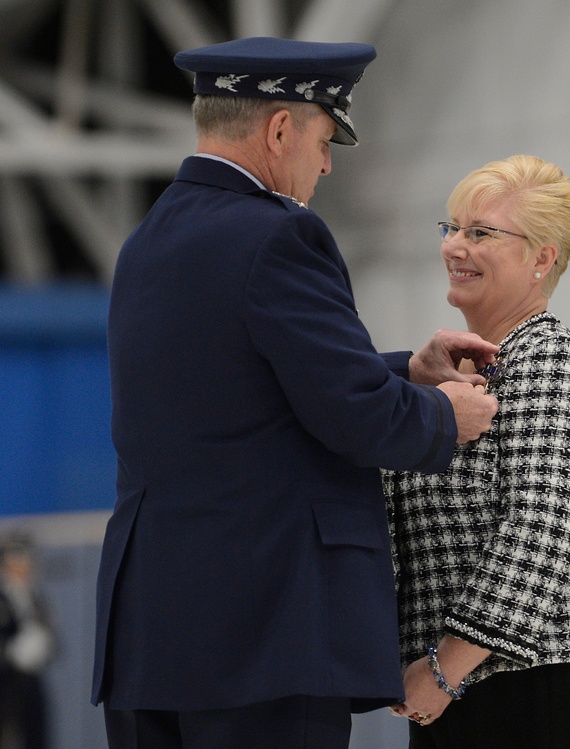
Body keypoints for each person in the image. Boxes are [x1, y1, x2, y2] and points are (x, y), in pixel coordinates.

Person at [90, 37, 499, 749]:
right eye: (322, 138)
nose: (326, 163)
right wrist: (444, 414)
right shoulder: (279, 234)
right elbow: (352, 414)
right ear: (279, 129)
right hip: (263, 634)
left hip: (153, 633)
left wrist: (405, 369)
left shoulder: (148, 240)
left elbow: (244, 384)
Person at [382, 154, 570, 749]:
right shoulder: (456, 368)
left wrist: (443, 668)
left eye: (481, 232)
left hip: (533, 680)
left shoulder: (553, 362)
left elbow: (542, 532)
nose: (455, 246)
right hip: (456, 681)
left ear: (541, 258)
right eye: (453, 228)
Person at [0, 534, 55, 749]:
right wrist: (11, 651)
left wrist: (44, 643)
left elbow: (53, 641)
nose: (24, 567)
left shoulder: (37, 599)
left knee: (36, 738)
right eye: (16, 560)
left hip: (32, 687)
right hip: (6, 688)